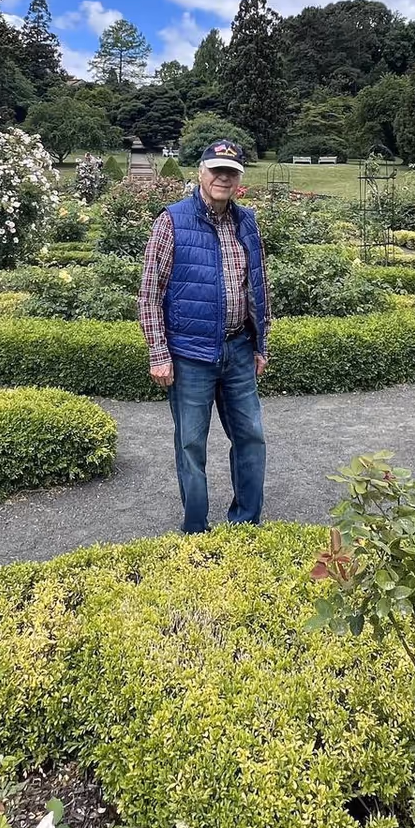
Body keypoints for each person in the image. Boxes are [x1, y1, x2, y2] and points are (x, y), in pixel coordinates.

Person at [137, 139, 271, 533]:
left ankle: (245, 524)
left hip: (239, 350)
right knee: (191, 446)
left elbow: (258, 285)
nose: (223, 178)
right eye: (217, 170)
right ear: (201, 172)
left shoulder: (247, 222)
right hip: (189, 356)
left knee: (251, 438)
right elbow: (149, 292)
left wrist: (260, 344)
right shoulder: (172, 221)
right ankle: (195, 529)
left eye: (231, 172)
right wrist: (158, 353)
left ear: (239, 179)